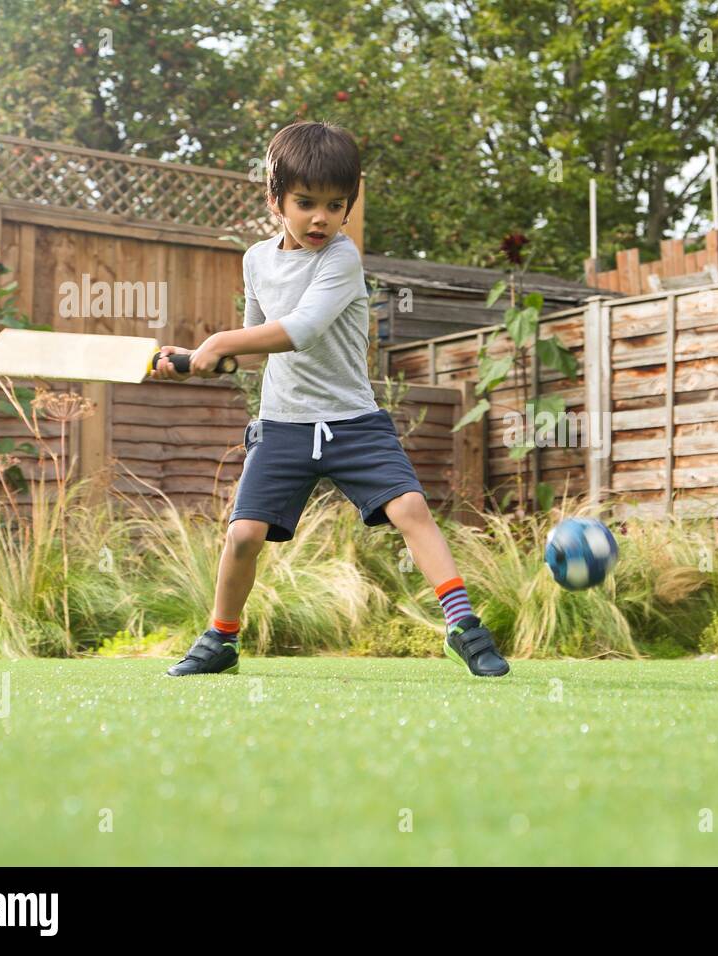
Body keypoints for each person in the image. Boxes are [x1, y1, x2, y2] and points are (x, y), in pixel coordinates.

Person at [151, 120, 508, 678]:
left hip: (353, 421)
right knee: (243, 535)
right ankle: (220, 640)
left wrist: (215, 342)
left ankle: (463, 626)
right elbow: (253, 346)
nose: (321, 217)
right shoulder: (255, 261)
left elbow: (301, 329)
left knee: (411, 508)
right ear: (275, 200)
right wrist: (196, 360)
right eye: (305, 202)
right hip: (284, 423)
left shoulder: (341, 258)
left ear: (349, 206)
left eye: (336, 204)